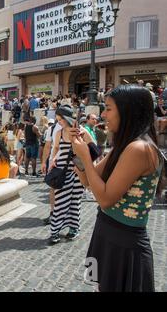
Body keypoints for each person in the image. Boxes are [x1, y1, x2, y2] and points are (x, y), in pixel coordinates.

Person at [71, 84, 164, 292]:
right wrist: (79, 150)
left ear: (128, 110)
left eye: (109, 108)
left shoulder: (139, 148)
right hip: (108, 234)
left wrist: (86, 156)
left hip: (125, 244)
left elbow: (105, 199)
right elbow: (88, 181)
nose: (103, 114)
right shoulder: (125, 145)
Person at [48, 105, 93, 245]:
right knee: (60, 201)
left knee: (75, 201)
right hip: (62, 171)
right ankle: (54, 231)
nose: (59, 121)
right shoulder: (59, 133)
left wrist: (83, 164)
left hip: (79, 172)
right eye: (57, 119)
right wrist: (53, 160)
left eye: (61, 119)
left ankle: (74, 228)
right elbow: (56, 148)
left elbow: (93, 151)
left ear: (67, 117)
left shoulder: (82, 131)